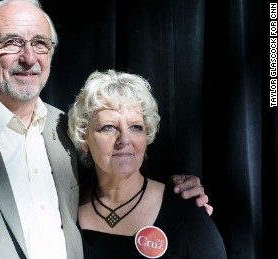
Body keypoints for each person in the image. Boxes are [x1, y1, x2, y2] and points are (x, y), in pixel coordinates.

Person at [0, 1, 211, 258]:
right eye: (12, 42)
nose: (29, 58)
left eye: (40, 44)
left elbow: (115, 178)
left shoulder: (67, 130)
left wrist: (180, 196)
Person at [67, 69, 227, 258]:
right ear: (84, 137)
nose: (124, 139)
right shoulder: (67, 208)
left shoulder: (184, 210)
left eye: (136, 127)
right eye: (109, 127)